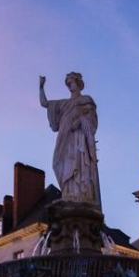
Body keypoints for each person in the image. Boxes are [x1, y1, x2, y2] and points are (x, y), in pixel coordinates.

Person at [39, 72, 101, 207]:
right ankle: (67, 193)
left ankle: (80, 193)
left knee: (78, 163)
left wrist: (80, 121)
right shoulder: (64, 104)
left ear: (78, 83)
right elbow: (45, 103)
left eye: (71, 82)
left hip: (78, 138)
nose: (70, 86)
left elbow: (92, 121)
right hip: (64, 138)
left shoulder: (86, 100)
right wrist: (41, 87)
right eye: (68, 84)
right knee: (58, 162)